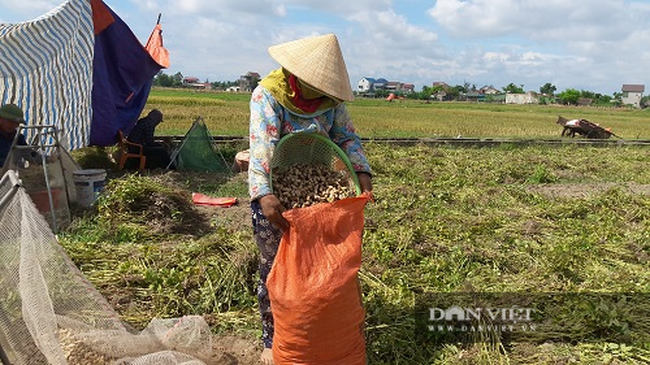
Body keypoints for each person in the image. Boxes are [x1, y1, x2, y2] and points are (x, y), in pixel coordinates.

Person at [248, 33, 373, 365]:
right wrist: (265, 194)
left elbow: (346, 137)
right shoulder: (268, 95)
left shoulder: (331, 101)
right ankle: (272, 338)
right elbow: (263, 145)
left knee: (327, 268)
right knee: (275, 270)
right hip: (276, 192)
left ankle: (320, 329)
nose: (320, 93)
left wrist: (361, 171)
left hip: (321, 200)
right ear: (298, 75)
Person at [0, 103, 31, 168]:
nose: (13, 125)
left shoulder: (18, 138)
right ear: (1, 119)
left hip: (13, 174)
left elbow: (29, 154)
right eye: (10, 121)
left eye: (16, 123)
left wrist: (47, 159)